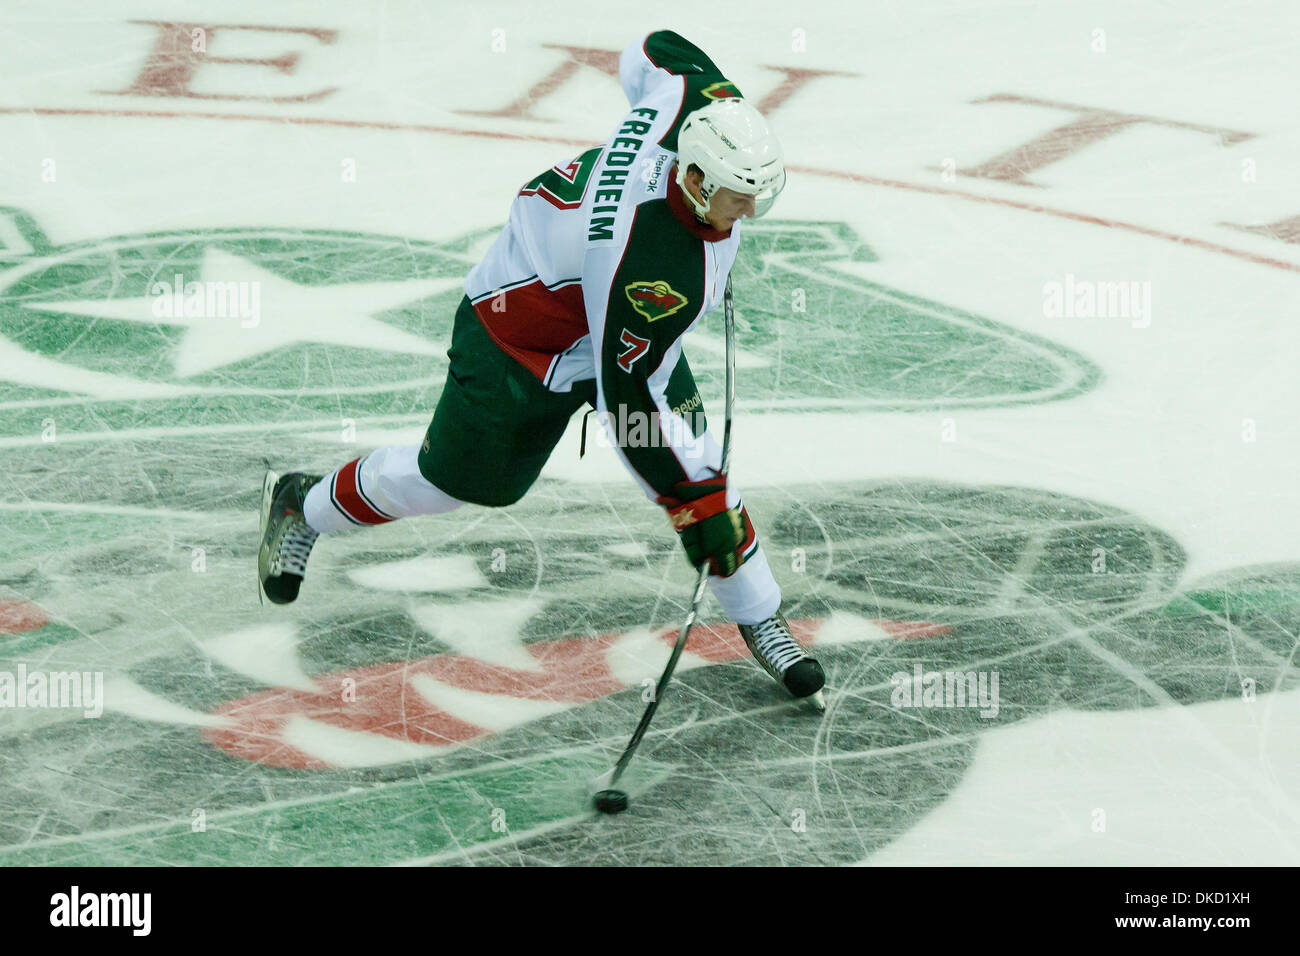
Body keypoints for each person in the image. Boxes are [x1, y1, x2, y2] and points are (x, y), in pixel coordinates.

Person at [258, 30, 825, 707]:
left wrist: (696, 495)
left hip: (608, 325)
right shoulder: (650, 271)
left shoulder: (694, 102)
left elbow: (655, 49)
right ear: (695, 180)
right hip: (521, 342)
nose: (750, 214)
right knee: (457, 484)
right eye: (738, 197)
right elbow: (627, 402)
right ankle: (306, 504)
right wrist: (693, 509)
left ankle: (760, 615)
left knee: (700, 465)